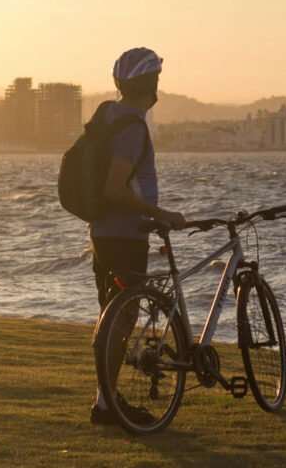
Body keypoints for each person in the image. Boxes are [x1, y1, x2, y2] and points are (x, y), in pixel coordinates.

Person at [89, 47, 185, 425]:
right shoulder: (131, 127)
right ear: (150, 84)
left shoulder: (110, 117)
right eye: (156, 79)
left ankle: (104, 401)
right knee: (122, 318)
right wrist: (159, 213)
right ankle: (105, 406)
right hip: (124, 236)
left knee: (112, 318)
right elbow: (115, 188)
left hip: (104, 233)